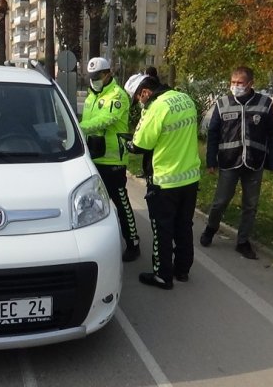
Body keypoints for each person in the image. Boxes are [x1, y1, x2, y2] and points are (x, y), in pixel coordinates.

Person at [123, 73, 201, 289]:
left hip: (165, 181)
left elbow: (140, 145)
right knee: (184, 226)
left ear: (145, 92)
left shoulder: (156, 108)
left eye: (138, 98)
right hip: (190, 177)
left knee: (162, 230)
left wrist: (127, 143)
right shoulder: (184, 99)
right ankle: (183, 270)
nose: (139, 103)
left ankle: (163, 275)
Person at [200, 66, 273, 260]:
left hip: (255, 161)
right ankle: (211, 228)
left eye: (240, 83)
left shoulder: (265, 104)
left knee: (250, 204)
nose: (235, 86)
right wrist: (211, 160)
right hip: (229, 161)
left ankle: (243, 241)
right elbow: (213, 134)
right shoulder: (223, 104)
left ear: (250, 84)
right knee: (220, 201)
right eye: (233, 82)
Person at [80, 57, 141, 262]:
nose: (94, 80)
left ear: (108, 74)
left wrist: (80, 128)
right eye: (91, 77)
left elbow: (107, 119)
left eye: (97, 76)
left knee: (121, 203)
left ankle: (133, 242)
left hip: (113, 160)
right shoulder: (91, 96)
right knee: (93, 206)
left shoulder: (118, 96)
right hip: (92, 158)